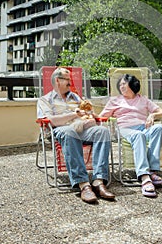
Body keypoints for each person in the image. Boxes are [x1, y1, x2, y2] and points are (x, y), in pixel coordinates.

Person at [37, 67, 115, 204]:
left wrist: (89, 114)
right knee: (69, 132)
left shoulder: (75, 97)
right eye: (67, 79)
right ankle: (83, 184)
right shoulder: (45, 100)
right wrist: (75, 114)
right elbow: (51, 121)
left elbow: (87, 112)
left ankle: (98, 181)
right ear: (57, 80)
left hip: (82, 129)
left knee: (102, 131)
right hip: (61, 130)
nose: (70, 82)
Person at [99, 73, 162, 198]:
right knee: (138, 135)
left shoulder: (144, 99)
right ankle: (145, 177)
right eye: (120, 84)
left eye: (124, 83)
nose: (121, 86)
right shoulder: (115, 100)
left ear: (132, 84)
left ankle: (151, 170)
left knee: (159, 128)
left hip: (143, 128)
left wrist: (152, 115)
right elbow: (102, 117)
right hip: (125, 129)